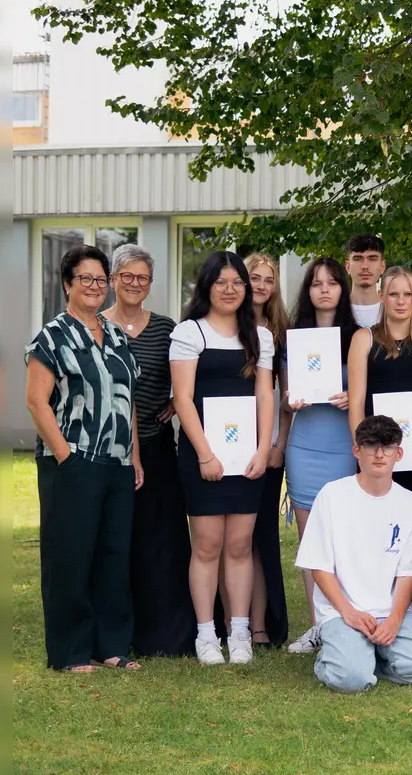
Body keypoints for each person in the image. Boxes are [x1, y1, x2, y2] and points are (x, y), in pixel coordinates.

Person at [26, 245, 143, 672]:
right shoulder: (51, 336)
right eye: (85, 279)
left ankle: (110, 646)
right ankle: (71, 651)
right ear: (67, 285)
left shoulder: (116, 336)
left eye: (100, 279)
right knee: (70, 558)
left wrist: (136, 457)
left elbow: (127, 400)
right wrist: (64, 456)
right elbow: (37, 402)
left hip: (118, 464)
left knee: (113, 557)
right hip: (72, 463)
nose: (94, 287)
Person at [169, 250, 276, 666]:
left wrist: (264, 448)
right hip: (204, 458)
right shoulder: (190, 333)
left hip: (248, 458)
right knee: (208, 546)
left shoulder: (261, 337)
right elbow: (182, 399)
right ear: (206, 287)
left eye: (237, 283)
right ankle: (206, 634)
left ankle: (240, 631)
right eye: (221, 282)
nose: (230, 290)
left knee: (240, 544)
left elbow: (264, 395)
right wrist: (205, 455)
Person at [295, 415, 412, 693]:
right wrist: (348, 612)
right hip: (343, 611)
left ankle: (366, 656)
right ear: (356, 451)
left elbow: (407, 572)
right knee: (352, 681)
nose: (379, 454)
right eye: (370, 446)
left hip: (388, 610)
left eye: (387, 447)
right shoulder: (332, 495)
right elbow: (319, 567)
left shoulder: (410, 503)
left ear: (398, 453)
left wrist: (395, 619)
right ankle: (337, 656)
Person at [103, 244, 193, 657]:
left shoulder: (167, 328)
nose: (135, 284)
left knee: (163, 544)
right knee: (118, 542)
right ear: (113, 280)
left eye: (143, 278)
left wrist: (177, 400)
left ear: (150, 284)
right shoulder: (96, 328)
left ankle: (166, 637)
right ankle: (120, 632)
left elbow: (188, 374)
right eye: (127, 276)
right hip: (108, 452)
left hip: (157, 448)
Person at [281, 257, 366, 653]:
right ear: (308, 291)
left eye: (332, 282)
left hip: (343, 445)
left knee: (344, 538)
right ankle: (317, 627)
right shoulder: (292, 337)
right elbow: (283, 396)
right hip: (305, 445)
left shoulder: (358, 337)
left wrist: (354, 399)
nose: (325, 289)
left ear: (342, 289)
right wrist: (289, 400)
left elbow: (369, 395)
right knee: (309, 539)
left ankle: (344, 620)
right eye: (317, 284)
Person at [345, 265, 412, 507]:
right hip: (376, 450)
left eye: (407, 294)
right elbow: (357, 402)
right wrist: (363, 449)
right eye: (394, 294)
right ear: (381, 296)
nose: (401, 301)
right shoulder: (364, 339)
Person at [243, 252, 291, 647]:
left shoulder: (280, 331)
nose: (260, 285)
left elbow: (288, 398)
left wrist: (279, 444)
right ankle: (231, 621)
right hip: (227, 448)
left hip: (268, 447)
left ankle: (260, 624)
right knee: (228, 540)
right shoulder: (219, 327)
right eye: (253, 278)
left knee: (261, 537)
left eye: (267, 280)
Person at [344, 233, 387, 327]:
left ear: (382, 266)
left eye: (372, 259)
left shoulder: (393, 312)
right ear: (348, 267)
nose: (365, 266)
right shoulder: (335, 312)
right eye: (357, 259)